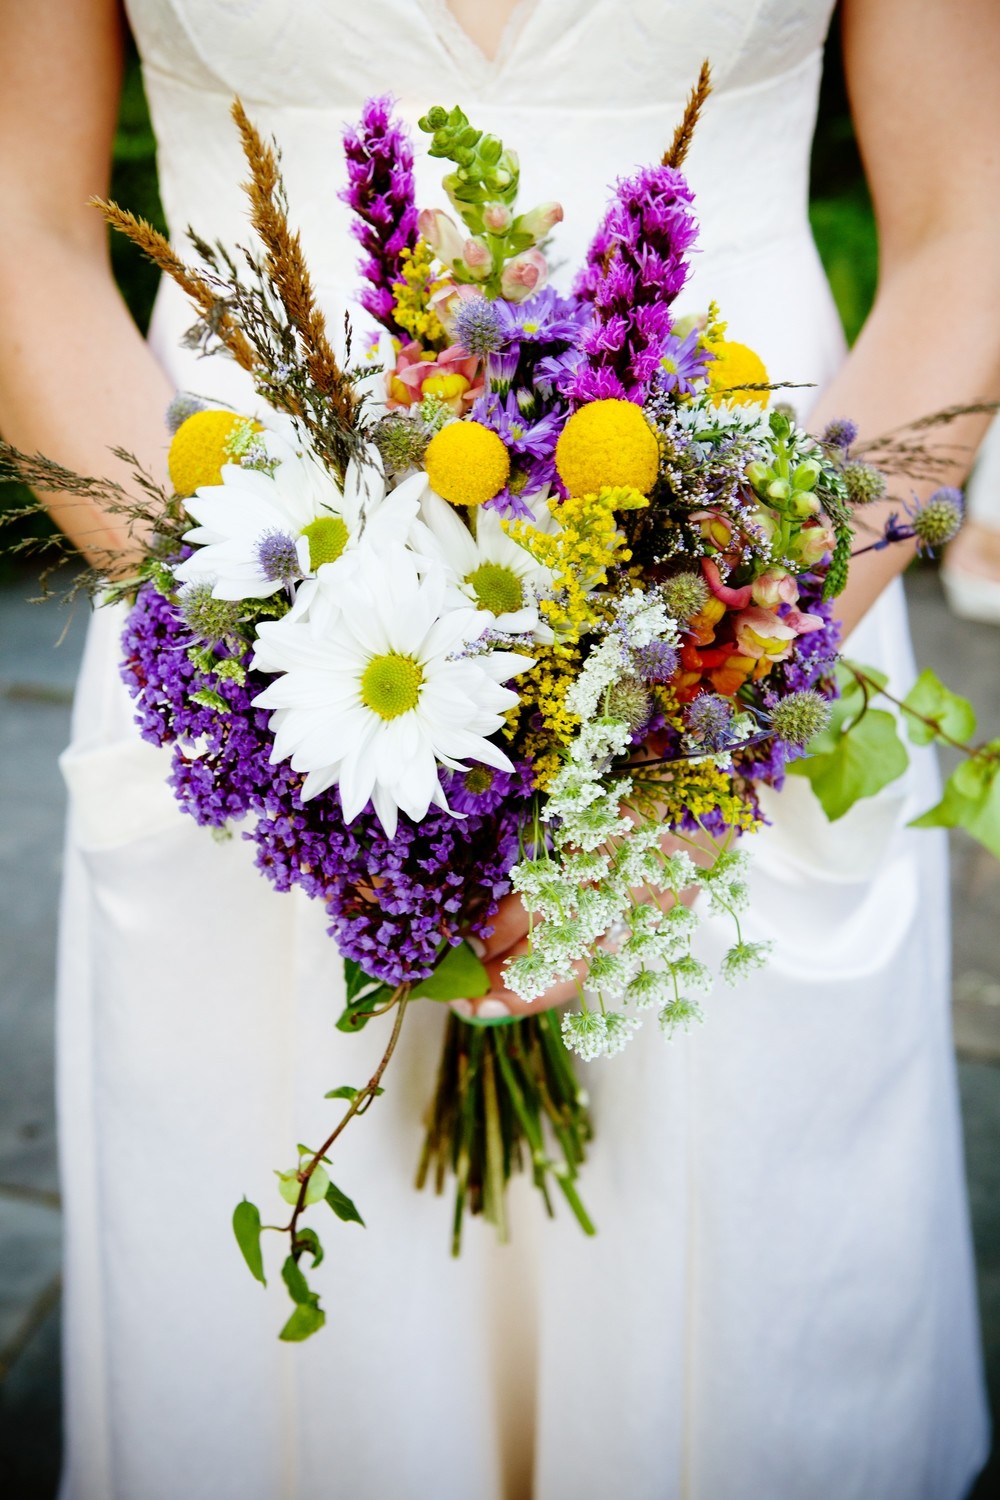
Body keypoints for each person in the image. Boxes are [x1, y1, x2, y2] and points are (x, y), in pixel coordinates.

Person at [1, 1, 998, 1496]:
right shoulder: (260, 674)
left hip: (755, 604)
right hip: (250, 631)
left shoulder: (738, 658)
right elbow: (26, 214)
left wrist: (719, 697)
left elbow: (966, 219)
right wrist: (275, 683)